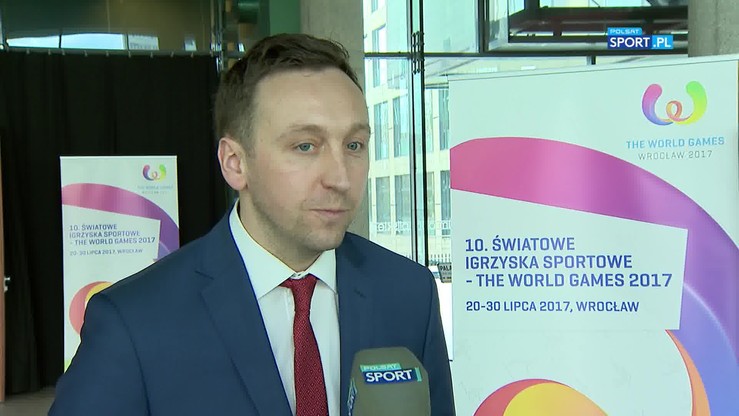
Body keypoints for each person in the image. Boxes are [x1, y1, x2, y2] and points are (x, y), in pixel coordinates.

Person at [50, 33, 454, 416]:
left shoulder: (408, 294)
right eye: (305, 146)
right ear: (235, 163)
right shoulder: (134, 322)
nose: (341, 178)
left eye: (354, 145)